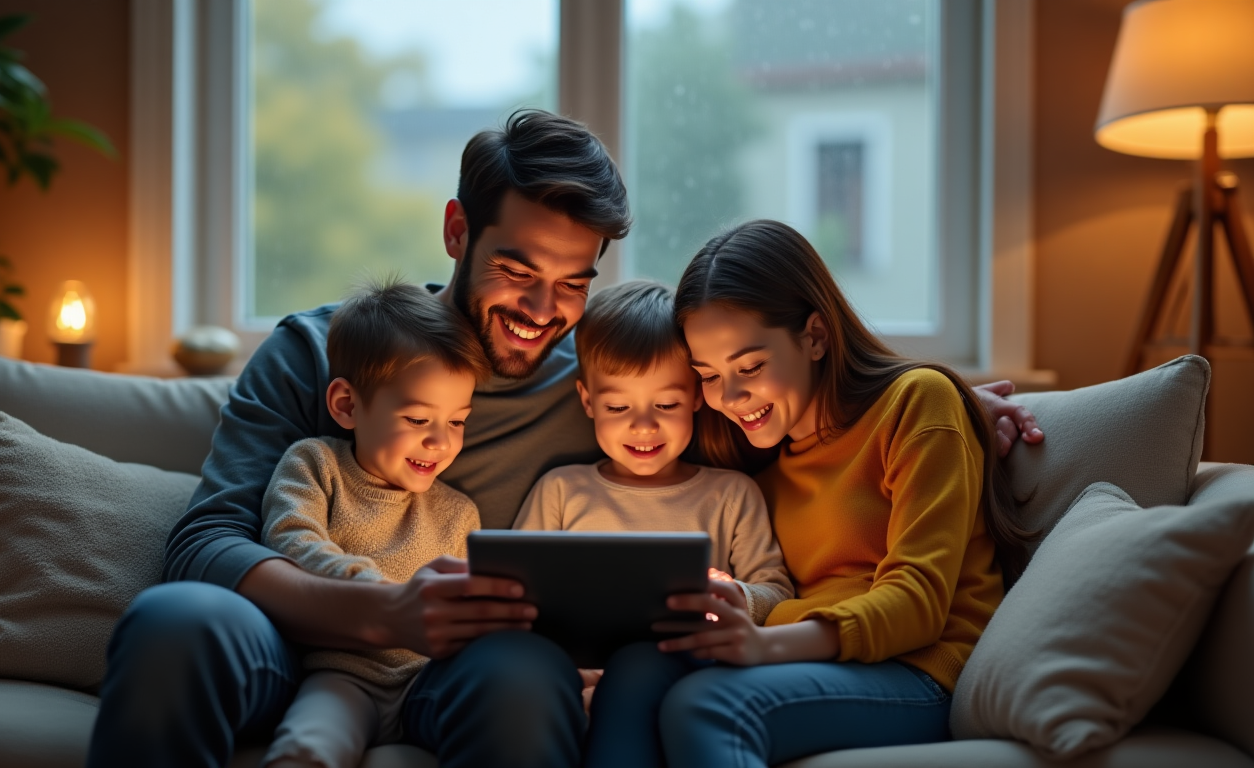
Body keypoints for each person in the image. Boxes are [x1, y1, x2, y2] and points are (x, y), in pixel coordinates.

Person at [87, 109, 1042, 768]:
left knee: (524, 676)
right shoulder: (316, 349)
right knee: (174, 621)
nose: (544, 310)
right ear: (458, 231)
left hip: (453, 668)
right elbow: (205, 543)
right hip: (288, 636)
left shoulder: (593, 381)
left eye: (575, 281)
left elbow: (761, 359)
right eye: (517, 268)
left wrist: (952, 399)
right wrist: (380, 617)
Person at [651, 219, 1032, 768]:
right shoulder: (760, 474)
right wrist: (740, 608)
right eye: (708, 374)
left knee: (709, 705)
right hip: (820, 659)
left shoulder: (917, 402)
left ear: (815, 335)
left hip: (921, 668)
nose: (730, 397)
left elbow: (918, 605)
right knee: (642, 674)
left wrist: (763, 644)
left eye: (750, 366)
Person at [512, 280, 793, 768]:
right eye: (619, 407)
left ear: (697, 397)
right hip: (578, 681)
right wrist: (568, 672)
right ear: (587, 400)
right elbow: (517, 594)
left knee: (643, 670)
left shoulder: (730, 495)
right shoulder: (561, 491)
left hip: (691, 673)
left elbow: (776, 593)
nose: (644, 426)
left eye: (666, 405)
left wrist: (737, 596)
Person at [257, 282, 490, 768]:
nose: (439, 443)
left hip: (432, 680)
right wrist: (384, 596)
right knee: (309, 747)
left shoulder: (458, 511)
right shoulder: (315, 465)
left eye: (457, 422)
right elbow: (289, 541)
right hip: (345, 676)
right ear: (346, 406)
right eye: (417, 418)